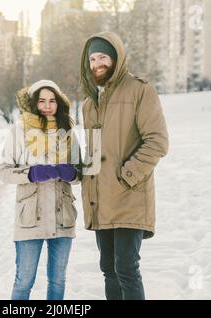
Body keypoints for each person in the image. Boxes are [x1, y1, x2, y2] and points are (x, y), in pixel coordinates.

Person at [79, 32, 169, 300]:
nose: (97, 63)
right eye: (93, 58)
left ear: (116, 58)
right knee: (108, 268)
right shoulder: (88, 103)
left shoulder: (140, 90)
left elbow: (158, 141)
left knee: (126, 268)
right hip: (101, 198)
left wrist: (127, 175)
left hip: (129, 194)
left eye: (103, 57)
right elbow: (94, 152)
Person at [0, 80, 81, 300]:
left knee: (58, 280)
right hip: (30, 218)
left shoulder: (67, 132)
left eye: (52, 101)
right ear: (33, 104)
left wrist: (71, 173)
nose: (47, 106)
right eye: (42, 101)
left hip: (62, 217)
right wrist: (30, 174)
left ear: (59, 103)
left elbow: (81, 172)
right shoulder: (18, 131)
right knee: (24, 280)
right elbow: (3, 171)